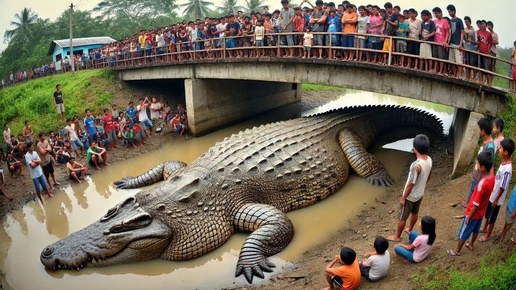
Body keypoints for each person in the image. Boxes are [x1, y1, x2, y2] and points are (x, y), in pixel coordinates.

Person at [448, 151, 495, 256]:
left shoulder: (482, 185)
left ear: (482, 167)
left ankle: (457, 250)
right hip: (481, 213)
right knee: (475, 230)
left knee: (464, 232)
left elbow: (475, 204)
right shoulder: (492, 177)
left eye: (477, 163)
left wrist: (469, 216)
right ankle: (471, 244)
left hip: (473, 213)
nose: (476, 165)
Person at [388, 134, 432, 242]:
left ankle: (397, 236)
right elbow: (429, 174)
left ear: (415, 148)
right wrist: (423, 185)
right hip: (420, 193)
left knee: (402, 217)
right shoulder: (429, 159)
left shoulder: (416, 165)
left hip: (410, 196)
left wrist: (403, 198)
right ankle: (410, 229)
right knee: (415, 212)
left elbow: (410, 184)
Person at [478, 138, 514, 242]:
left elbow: (503, 186)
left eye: (501, 148)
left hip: (497, 198)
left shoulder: (507, 169)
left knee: (492, 217)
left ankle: (488, 235)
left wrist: (496, 199)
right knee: (488, 212)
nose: (499, 149)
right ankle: (485, 228)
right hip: (493, 194)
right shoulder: (503, 163)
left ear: (506, 152)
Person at [464, 117, 495, 206]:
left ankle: (468, 216)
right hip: (477, 176)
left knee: (474, 201)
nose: (478, 131)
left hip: (479, 178)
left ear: (483, 131)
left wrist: (487, 181)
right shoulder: (486, 143)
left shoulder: (490, 147)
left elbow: (490, 165)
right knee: (471, 198)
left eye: (479, 129)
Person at [446, 5, 464, 78]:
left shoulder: (459, 20)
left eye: (450, 11)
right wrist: (448, 42)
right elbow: (450, 32)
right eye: (448, 12)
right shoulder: (450, 21)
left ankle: (459, 75)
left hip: (457, 43)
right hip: (451, 43)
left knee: (459, 61)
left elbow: (462, 32)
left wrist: (460, 44)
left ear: (454, 11)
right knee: (451, 61)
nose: (449, 13)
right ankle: (454, 74)